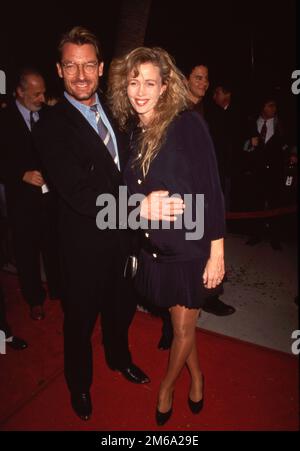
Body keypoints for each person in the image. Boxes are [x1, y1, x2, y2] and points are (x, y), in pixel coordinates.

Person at [33, 27, 184, 421]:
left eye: (88, 65)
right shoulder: (50, 124)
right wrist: (140, 207)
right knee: (80, 323)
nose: (80, 74)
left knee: (121, 311)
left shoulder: (119, 111)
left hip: (125, 243)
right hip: (83, 248)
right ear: (59, 69)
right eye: (71, 65)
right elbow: (79, 194)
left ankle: (119, 360)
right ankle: (79, 385)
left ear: (101, 68)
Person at [108, 47, 225, 425]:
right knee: (181, 327)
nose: (140, 90)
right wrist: (140, 206)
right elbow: (126, 195)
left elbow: (211, 188)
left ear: (164, 87)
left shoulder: (187, 125)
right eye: (133, 81)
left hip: (191, 247)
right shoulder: (133, 132)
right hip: (155, 249)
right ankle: (198, 374)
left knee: (180, 327)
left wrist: (217, 251)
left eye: (149, 82)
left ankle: (166, 388)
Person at [0, 68, 61, 321]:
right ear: (20, 92)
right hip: (22, 200)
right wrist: (20, 174)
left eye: (44, 93)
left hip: (50, 198)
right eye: (36, 94)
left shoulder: (47, 115)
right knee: (27, 252)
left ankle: (59, 291)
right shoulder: (4, 119)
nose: (41, 98)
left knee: (54, 246)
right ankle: (34, 299)